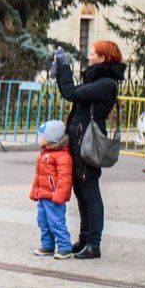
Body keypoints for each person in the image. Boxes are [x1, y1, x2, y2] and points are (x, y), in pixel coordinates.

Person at [52, 40, 125, 260]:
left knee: (90, 191)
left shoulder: (106, 84)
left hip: (87, 142)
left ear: (103, 58)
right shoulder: (98, 79)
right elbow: (74, 93)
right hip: (79, 139)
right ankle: (84, 239)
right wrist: (60, 72)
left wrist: (64, 68)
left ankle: (94, 243)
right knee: (81, 191)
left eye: (93, 53)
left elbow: (71, 93)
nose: (89, 55)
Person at [30, 119, 74, 259]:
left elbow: (64, 178)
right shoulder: (44, 153)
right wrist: (35, 191)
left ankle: (65, 247)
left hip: (54, 197)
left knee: (56, 222)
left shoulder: (62, 156)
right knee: (43, 221)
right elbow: (39, 176)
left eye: (42, 136)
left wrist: (60, 195)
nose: (39, 139)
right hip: (43, 195)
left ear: (51, 139)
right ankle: (47, 245)